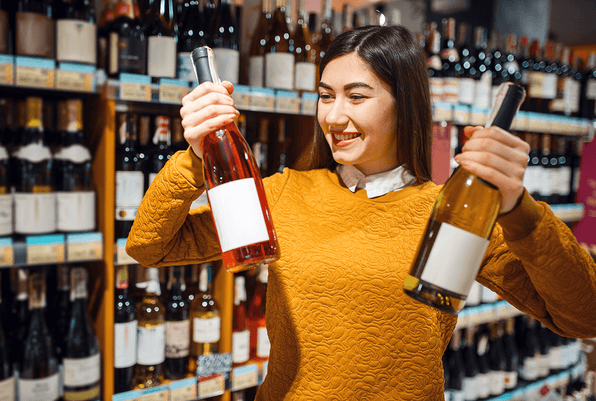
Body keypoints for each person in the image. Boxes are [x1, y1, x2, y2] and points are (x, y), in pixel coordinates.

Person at [127, 25, 596, 400]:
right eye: (326, 96)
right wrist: (196, 154)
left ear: (403, 104)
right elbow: (152, 246)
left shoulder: (451, 211)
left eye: (356, 96)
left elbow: (583, 316)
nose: (333, 117)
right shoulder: (287, 193)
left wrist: (519, 210)